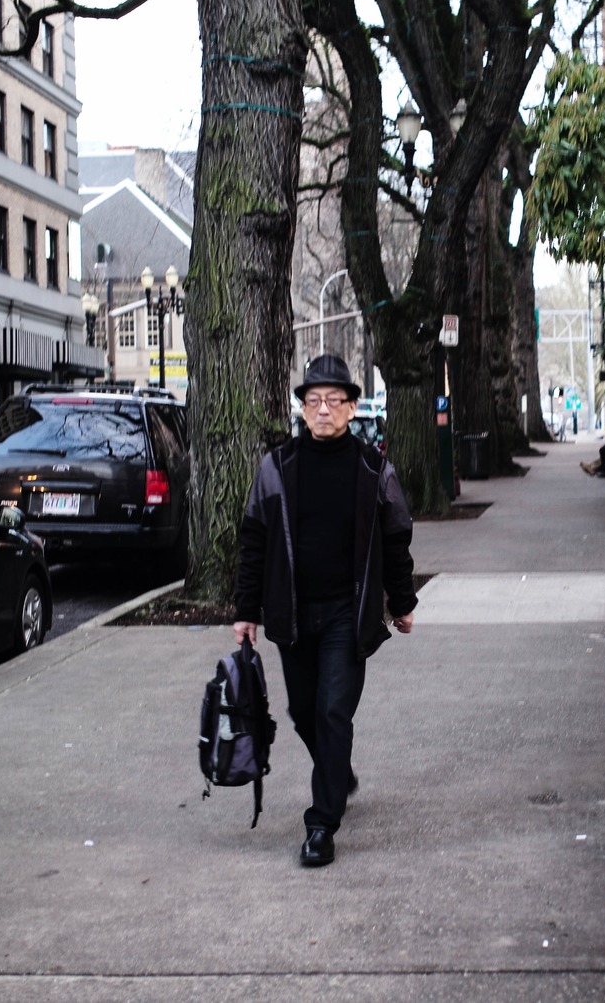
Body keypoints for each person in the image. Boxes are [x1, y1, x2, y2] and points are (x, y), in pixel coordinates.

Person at [232, 354, 419, 867]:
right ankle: (336, 770)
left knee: (333, 710)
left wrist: (401, 604)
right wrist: (246, 609)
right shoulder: (276, 467)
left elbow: (397, 539)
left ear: (353, 407)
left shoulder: (374, 469)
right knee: (303, 711)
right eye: (313, 401)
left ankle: (321, 826)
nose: (322, 410)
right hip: (291, 613)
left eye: (334, 401)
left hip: (346, 613)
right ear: (301, 408)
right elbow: (254, 539)